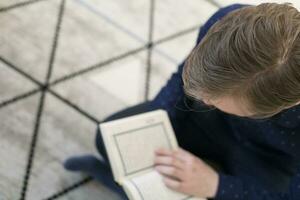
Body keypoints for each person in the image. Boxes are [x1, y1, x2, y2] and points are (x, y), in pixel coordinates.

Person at [64, 3, 300, 200]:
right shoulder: (225, 21)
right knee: (111, 140)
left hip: (268, 160)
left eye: (216, 100)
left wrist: (215, 185)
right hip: (205, 122)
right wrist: (156, 121)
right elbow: (181, 83)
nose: (204, 99)